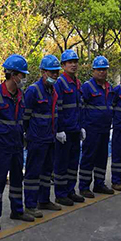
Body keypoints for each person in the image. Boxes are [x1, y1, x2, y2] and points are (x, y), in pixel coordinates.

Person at [0, 54, 35, 231]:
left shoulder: (21, 96)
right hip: (0, 146)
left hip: (16, 145)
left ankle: (17, 210)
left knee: (17, 179)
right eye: (22, 75)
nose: (24, 79)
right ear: (13, 75)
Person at [22, 55, 63, 216]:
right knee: (33, 173)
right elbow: (25, 117)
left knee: (47, 172)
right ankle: (30, 204)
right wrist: (28, 135)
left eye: (56, 72)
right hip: (37, 139)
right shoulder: (33, 91)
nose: (55, 75)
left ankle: (44, 200)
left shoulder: (53, 91)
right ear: (43, 72)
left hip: (50, 138)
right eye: (52, 72)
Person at [78, 56, 115, 198]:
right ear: (93, 71)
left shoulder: (109, 87)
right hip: (91, 129)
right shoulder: (87, 87)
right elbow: (81, 107)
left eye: (104, 69)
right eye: (99, 69)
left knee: (102, 157)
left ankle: (99, 184)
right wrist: (82, 126)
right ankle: (84, 186)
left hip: (105, 129)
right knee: (88, 157)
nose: (102, 72)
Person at [53, 49, 85, 206]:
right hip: (64, 131)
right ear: (63, 65)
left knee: (73, 164)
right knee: (62, 164)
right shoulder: (60, 83)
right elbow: (57, 108)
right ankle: (60, 193)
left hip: (75, 130)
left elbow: (79, 107)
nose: (73, 65)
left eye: (75, 62)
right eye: (70, 62)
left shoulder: (77, 83)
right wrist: (59, 129)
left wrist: (81, 127)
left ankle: (70, 190)